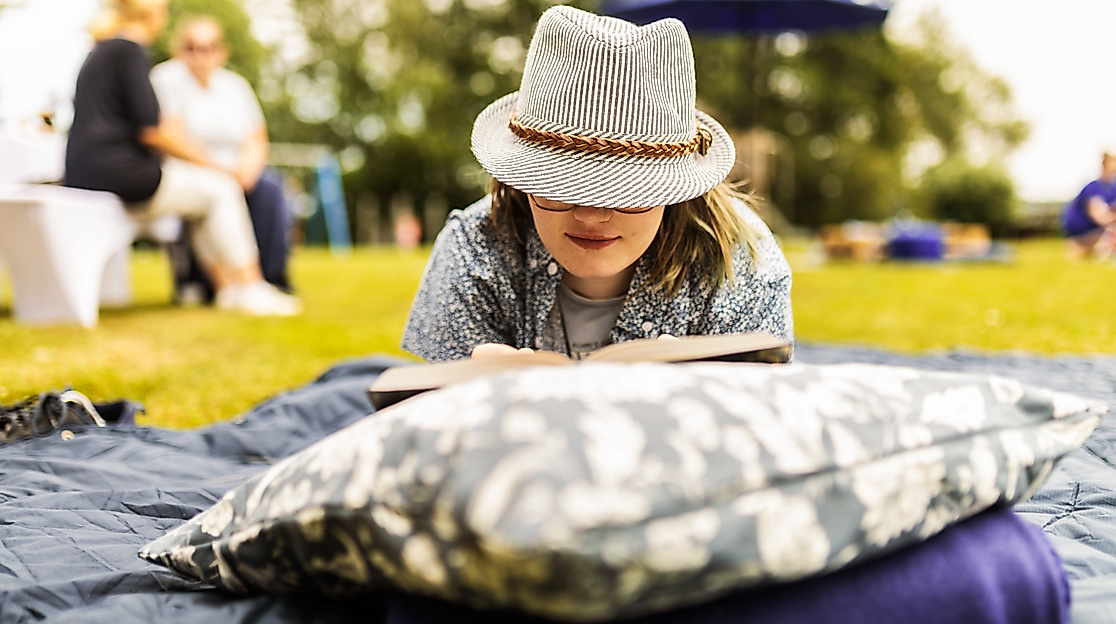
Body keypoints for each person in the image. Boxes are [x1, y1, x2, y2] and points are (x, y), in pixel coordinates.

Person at [401, 6, 793, 363]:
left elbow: (765, 430)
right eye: (560, 184)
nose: (591, 214)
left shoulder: (743, 265)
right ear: (522, 178)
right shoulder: (472, 251)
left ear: (674, 188)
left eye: (626, 190)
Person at [63, 0, 300, 316]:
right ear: (153, 15)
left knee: (207, 195)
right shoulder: (130, 50)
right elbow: (153, 132)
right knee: (219, 189)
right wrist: (219, 169)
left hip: (87, 170)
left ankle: (229, 290)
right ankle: (252, 287)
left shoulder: (102, 50)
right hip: (120, 172)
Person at [151, 16, 294, 301]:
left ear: (221, 50)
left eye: (208, 47)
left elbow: (256, 137)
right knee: (215, 190)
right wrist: (221, 170)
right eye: (192, 47)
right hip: (193, 168)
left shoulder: (235, 86)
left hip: (239, 170)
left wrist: (247, 169)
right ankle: (217, 283)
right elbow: (172, 137)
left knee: (270, 189)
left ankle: (268, 277)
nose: (201, 55)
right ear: (180, 49)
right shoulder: (165, 79)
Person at [1062, 150, 1116, 260]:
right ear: (1105, 164)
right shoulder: (1093, 188)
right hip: (1083, 234)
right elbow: (1099, 216)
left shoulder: (1113, 188)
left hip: (1101, 232)